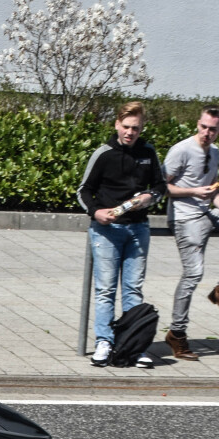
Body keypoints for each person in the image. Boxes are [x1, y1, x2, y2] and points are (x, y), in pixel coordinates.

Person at [78, 100, 166, 368]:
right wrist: (96, 212)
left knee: (133, 290)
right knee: (105, 290)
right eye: (126, 127)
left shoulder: (148, 153)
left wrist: (150, 197)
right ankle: (104, 341)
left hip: (138, 228)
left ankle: (132, 344)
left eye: (136, 128)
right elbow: (83, 190)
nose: (130, 133)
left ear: (142, 128)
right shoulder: (104, 153)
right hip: (107, 230)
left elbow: (160, 186)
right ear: (117, 124)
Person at [161, 107, 219, 362]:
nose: (207, 133)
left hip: (206, 212)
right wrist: (194, 192)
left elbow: (214, 190)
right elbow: (161, 187)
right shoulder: (181, 150)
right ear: (197, 124)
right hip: (185, 217)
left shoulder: (216, 153)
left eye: (213, 129)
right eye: (204, 127)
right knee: (193, 273)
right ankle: (177, 333)